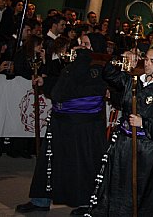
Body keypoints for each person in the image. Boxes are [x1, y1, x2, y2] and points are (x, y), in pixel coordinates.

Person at [88, 47, 153, 216]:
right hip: (124, 144)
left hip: (147, 149)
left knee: (140, 190)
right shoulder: (133, 80)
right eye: (146, 59)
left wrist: (143, 123)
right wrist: (121, 57)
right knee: (118, 184)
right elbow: (108, 74)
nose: (147, 64)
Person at [16, 48, 107, 215]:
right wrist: (47, 82)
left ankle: (87, 203)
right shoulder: (74, 66)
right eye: (81, 43)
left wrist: (82, 59)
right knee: (49, 163)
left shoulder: (98, 69)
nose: (80, 47)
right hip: (60, 121)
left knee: (82, 165)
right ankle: (41, 200)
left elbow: (76, 85)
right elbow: (62, 85)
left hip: (83, 126)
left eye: (86, 44)